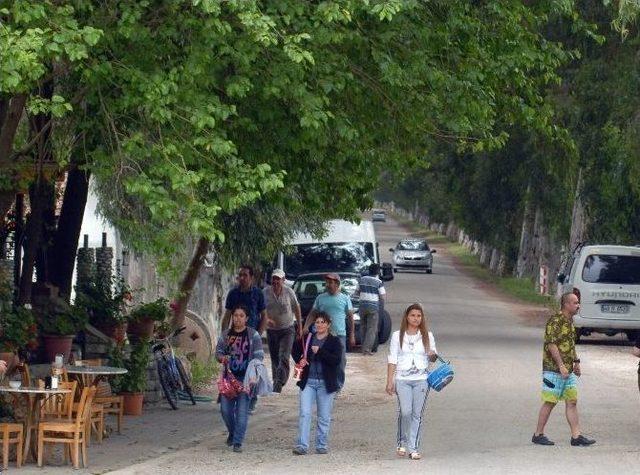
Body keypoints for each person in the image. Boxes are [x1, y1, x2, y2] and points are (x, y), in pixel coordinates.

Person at [532, 292, 595, 447]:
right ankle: (538, 434)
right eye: (575, 303)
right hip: (553, 370)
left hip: (568, 371)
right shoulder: (555, 321)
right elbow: (551, 344)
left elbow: (570, 345)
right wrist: (560, 365)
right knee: (550, 401)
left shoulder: (569, 321)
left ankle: (576, 436)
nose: (578, 305)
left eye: (578, 302)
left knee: (572, 401)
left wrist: (576, 362)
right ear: (566, 304)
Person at [385, 303, 437, 460]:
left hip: (421, 379)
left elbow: (433, 357)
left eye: (419, 316)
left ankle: (413, 448)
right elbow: (392, 358)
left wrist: (431, 354)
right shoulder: (397, 335)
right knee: (405, 411)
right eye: (413, 315)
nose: (416, 318)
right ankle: (401, 441)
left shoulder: (427, 335)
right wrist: (389, 381)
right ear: (407, 317)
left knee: (417, 414)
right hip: (402, 379)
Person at [215, 304, 264, 453]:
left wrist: (254, 375)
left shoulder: (253, 335)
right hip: (229, 379)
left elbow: (259, 355)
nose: (237, 318)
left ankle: (237, 442)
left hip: (245, 379)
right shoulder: (225, 335)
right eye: (235, 315)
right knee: (225, 410)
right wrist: (222, 358)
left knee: (242, 411)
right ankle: (233, 432)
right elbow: (218, 353)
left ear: (247, 318)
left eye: (241, 316)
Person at [292, 312, 342, 455]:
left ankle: (321, 444)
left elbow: (336, 360)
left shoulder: (334, 341)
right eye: (317, 322)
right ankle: (302, 445)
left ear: (328, 324)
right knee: (305, 413)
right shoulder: (308, 338)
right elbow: (295, 349)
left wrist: (320, 352)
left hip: (326, 383)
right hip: (308, 382)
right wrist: (300, 359)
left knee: (324, 416)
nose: (319, 325)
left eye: (322, 322)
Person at [302, 273, 354, 389]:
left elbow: (350, 317)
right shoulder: (320, 298)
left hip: (339, 334)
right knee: (320, 358)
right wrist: (306, 326)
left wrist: (352, 335)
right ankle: (324, 382)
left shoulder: (345, 298)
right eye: (327, 282)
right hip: (322, 335)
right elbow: (312, 313)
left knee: (340, 361)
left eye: (331, 282)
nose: (328, 285)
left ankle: (338, 385)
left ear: (337, 284)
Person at [263, 268, 302, 393]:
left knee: (284, 356)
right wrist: (267, 319)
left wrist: (300, 328)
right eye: (274, 278)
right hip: (271, 330)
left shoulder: (289, 292)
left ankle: (279, 382)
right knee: (275, 357)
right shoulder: (265, 292)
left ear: (283, 280)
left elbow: (297, 308)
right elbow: (260, 310)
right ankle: (276, 379)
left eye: (278, 279)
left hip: (287, 329)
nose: (275, 281)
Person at [221, 265, 267, 333]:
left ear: (251, 277)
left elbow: (264, 316)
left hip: (252, 335)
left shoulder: (258, 293)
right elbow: (227, 316)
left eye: (245, 275)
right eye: (240, 275)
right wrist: (224, 336)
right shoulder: (233, 294)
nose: (242, 278)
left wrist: (258, 335)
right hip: (236, 335)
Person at [356, 263, 386, 355]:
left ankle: (362, 348)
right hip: (373, 307)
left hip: (362, 306)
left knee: (363, 327)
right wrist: (381, 305)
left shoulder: (361, 279)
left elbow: (357, 292)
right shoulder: (379, 282)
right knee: (371, 329)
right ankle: (367, 350)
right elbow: (383, 296)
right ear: (377, 271)